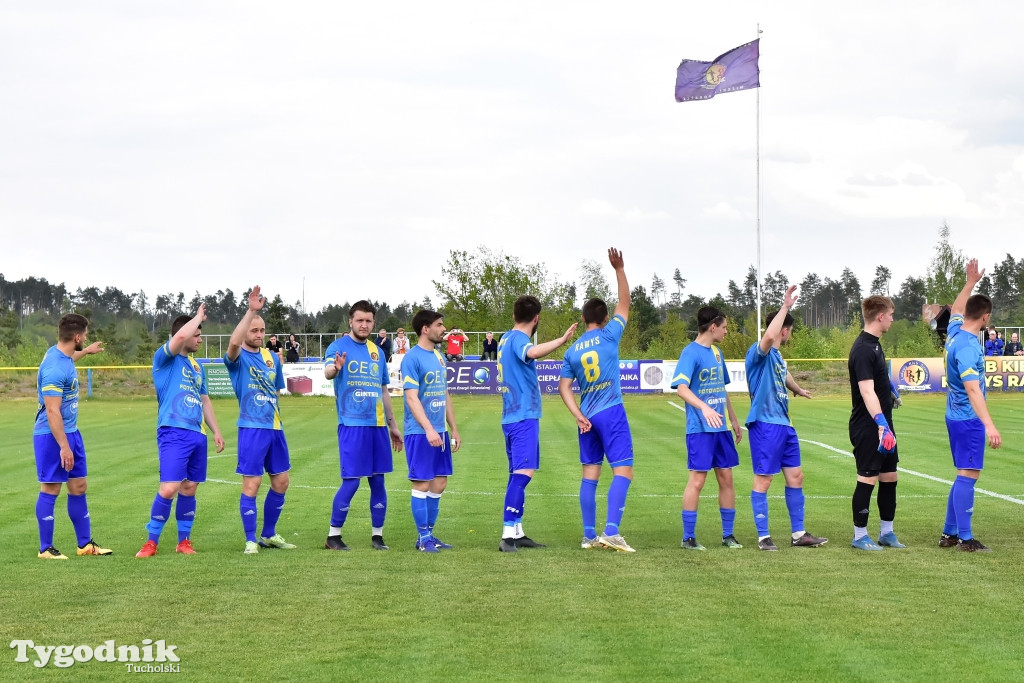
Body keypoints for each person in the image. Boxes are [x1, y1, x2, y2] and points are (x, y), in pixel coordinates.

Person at [558, 248, 636, 552]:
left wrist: (577, 414)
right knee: (623, 470)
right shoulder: (608, 335)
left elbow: (564, 387)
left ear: (583, 318)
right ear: (604, 318)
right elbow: (625, 303)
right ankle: (611, 532)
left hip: (587, 417)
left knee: (590, 474)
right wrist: (619, 269)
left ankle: (589, 536)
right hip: (611, 411)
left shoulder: (572, 350)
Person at [136, 305, 225, 558]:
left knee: (189, 488)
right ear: (185, 335)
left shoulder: (198, 367)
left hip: (198, 434)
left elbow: (205, 399)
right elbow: (177, 339)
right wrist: (197, 317)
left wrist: (215, 430)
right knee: (169, 488)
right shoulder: (165, 359)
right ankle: (151, 542)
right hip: (173, 431)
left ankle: (183, 541)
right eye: (197, 334)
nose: (200, 339)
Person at [744, 286, 827, 551]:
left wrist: (798, 390)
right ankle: (763, 536)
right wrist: (785, 307)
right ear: (785, 330)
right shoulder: (759, 351)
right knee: (764, 479)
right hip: (765, 424)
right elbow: (768, 337)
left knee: (796, 477)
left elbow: (784, 375)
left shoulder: (778, 357)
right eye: (789, 329)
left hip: (785, 425)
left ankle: (798, 534)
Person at [497, 296, 577, 552]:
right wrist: (562, 341)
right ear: (536, 318)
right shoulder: (520, 339)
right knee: (523, 475)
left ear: (513, 315)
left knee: (516, 474)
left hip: (511, 416)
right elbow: (531, 352)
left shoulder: (504, 338)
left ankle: (517, 531)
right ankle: (508, 534)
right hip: (523, 416)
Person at [323, 301, 403, 551]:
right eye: (360, 320)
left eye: (368, 321)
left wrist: (393, 425)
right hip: (352, 424)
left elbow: (384, 391)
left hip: (377, 425)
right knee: (352, 481)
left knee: (378, 481)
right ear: (350, 321)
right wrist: (335, 369)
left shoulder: (377, 352)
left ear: (374, 323)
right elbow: (327, 371)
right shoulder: (338, 347)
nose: (364, 324)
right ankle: (333, 536)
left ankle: (377, 536)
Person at [225, 286, 296, 554]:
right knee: (252, 484)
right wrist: (251, 311)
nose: (258, 334)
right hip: (251, 428)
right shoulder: (238, 358)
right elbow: (233, 344)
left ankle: (269, 534)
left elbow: (276, 391)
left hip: (274, 428)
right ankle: (250, 539)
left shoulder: (271, 358)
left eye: (262, 330)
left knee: (281, 481)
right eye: (253, 330)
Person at [34, 314, 111, 559]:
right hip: (52, 436)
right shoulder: (54, 367)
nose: (86, 337)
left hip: (71, 433)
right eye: (85, 335)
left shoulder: (62, 356)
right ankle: (45, 548)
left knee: (78, 485)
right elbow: (53, 410)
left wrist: (86, 351)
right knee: (51, 487)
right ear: (76, 336)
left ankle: (85, 545)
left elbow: (71, 358)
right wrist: (64, 447)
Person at [941, 259, 1002, 551]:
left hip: (955, 415)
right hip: (967, 418)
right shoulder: (967, 346)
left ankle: (949, 533)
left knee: (963, 472)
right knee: (968, 474)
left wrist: (970, 283)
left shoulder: (954, 331)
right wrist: (988, 423)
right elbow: (973, 389)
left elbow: (955, 309)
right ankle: (965, 539)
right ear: (986, 318)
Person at [670, 306, 744, 551]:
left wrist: (733, 419)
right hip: (700, 429)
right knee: (697, 481)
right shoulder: (690, 353)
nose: (725, 331)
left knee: (726, 478)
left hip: (721, 429)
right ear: (713, 326)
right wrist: (705, 408)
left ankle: (728, 535)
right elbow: (681, 388)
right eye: (723, 327)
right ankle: (688, 537)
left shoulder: (717, 353)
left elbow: (722, 388)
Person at [401, 309, 462, 552]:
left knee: (439, 483)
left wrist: (453, 428)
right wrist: (428, 429)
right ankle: (423, 538)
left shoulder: (439, 356)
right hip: (420, 432)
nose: (443, 329)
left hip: (440, 432)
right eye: (439, 325)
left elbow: (444, 393)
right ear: (425, 329)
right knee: (422, 484)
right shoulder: (412, 358)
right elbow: (412, 398)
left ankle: (428, 536)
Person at [848, 295, 903, 551]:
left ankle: (887, 533)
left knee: (890, 477)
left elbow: (879, 380)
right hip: (869, 426)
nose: (893, 318)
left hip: (885, 425)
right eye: (891, 314)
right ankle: (860, 535)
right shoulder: (862, 348)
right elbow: (867, 391)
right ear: (880, 316)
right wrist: (881, 423)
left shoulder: (876, 345)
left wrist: (891, 390)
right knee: (867, 477)